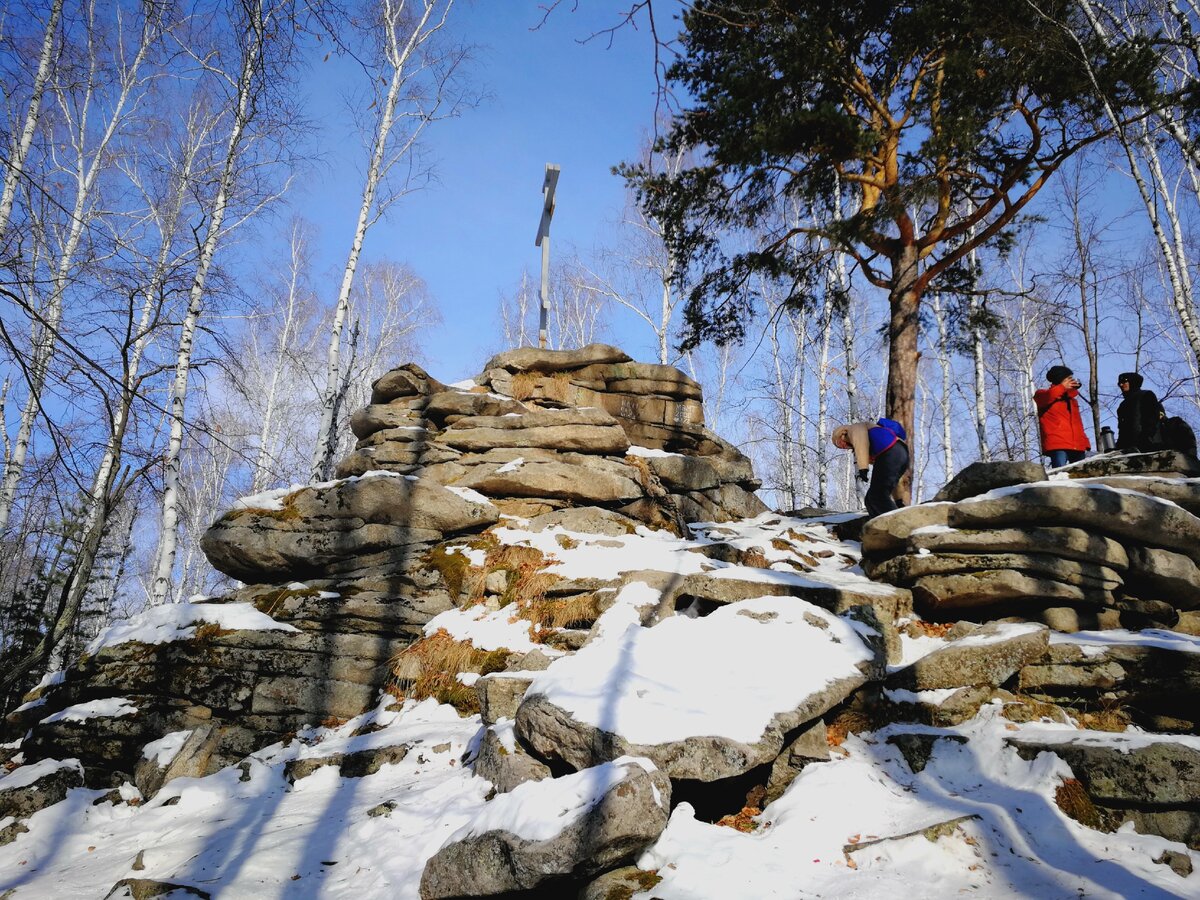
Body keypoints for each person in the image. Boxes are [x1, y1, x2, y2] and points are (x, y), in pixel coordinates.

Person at [832, 420, 910, 518]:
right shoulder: (876, 445)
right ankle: (879, 526)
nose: (843, 446)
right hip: (901, 452)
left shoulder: (855, 428)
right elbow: (889, 475)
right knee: (870, 499)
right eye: (840, 447)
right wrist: (898, 499)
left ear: (842, 433)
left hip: (891, 450)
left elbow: (861, 442)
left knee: (877, 496)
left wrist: (863, 468)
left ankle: (900, 525)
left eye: (839, 443)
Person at [1034, 364, 1090, 467]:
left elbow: (1078, 424)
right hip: (1057, 444)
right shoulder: (1042, 394)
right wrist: (1062, 388)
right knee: (1060, 475)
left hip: (1077, 444)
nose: (1072, 380)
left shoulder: (1072, 401)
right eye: (1069, 378)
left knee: (1080, 477)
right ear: (1060, 379)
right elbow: (1050, 395)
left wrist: (1085, 442)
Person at [1115, 372, 1163, 452]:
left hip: (1149, 446)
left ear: (1132, 382)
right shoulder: (1122, 406)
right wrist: (1119, 447)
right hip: (1128, 449)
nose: (1121, 385)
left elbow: (1152, 420)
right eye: (1119, 383)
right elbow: (1122, 430)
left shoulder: (1146, 395)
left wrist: (1146, 439)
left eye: (1124, 382)